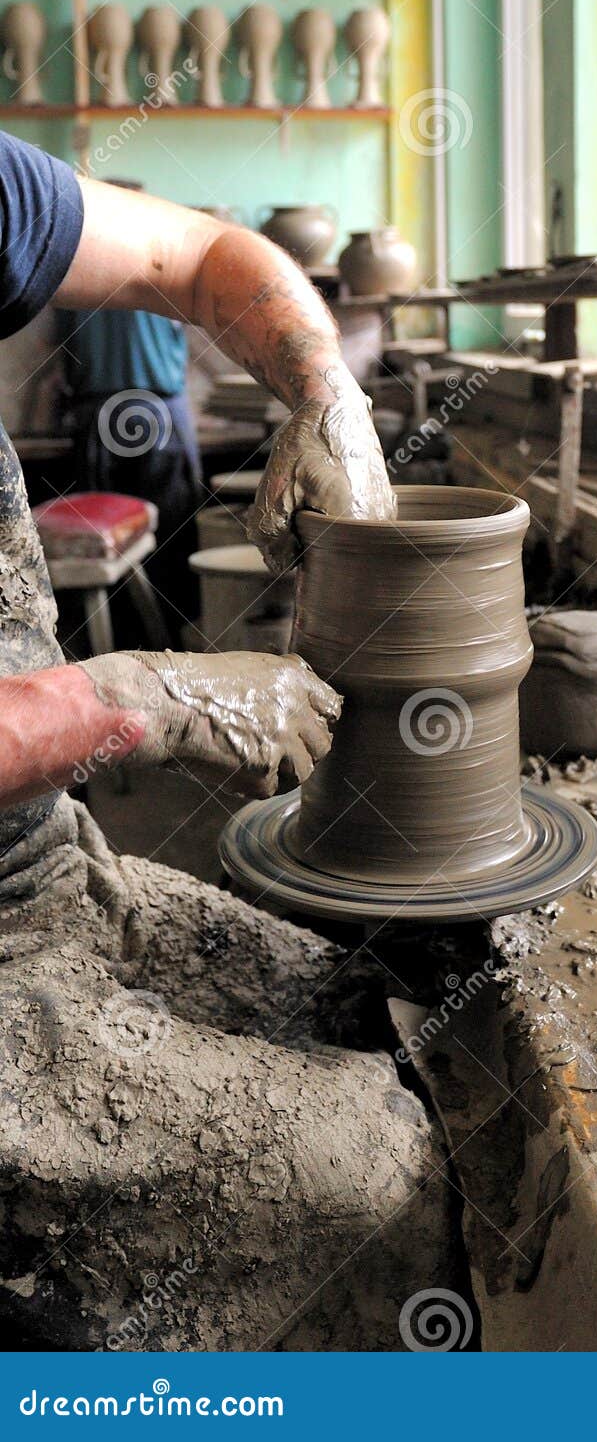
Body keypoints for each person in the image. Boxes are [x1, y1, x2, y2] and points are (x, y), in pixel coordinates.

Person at [0, 131, 455, 1349]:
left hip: (41, 872)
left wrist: (324, 396)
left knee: (365, 1005)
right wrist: (144, 694)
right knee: (378, 1176)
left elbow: (197, 252)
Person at [54, 178, 203, 635]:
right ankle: (171, 641)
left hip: (100, 413)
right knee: (169, 535)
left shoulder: (68, 260)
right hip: (159, 410)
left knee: (107, 542)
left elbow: (64, 351)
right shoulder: (169, 256)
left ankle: (122, 643)